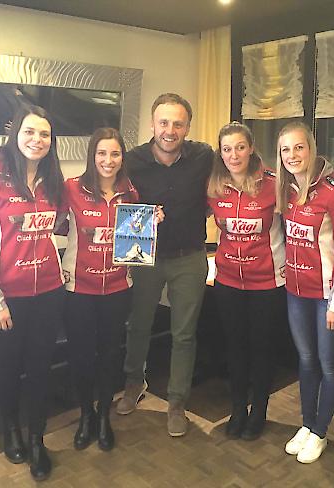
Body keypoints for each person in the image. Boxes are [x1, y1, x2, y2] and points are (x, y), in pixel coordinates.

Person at [0, 105, 65, 481]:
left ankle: (38, 440)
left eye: (44, 134)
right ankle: (10, 431)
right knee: (9, 367)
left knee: (41, 368)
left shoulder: (53, 180)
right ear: (15, 134)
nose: (37, 140)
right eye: (30, 132)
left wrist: (138, 222)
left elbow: (68, 228)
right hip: (5, 301)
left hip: (49, 294)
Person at [116, 93, 214, 437]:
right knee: (138, 326)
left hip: (190, 256)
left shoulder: (204, 156)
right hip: (145, 258)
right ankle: (133, 384)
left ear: (187, 126)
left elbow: (231, 178)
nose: (170, 130)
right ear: (152, 124)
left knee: (184, 334)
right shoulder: (131, 161)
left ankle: (176, 402)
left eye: (178, 123)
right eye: (164, 122)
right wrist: (142, 220)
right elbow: (115, 205)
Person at [275, 122, 334, 463]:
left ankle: (321, 431)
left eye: (299, 147)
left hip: (327, 297)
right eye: (285, 150)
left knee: (328, 363)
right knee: (306, 361)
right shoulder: (287, 190)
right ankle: (307, 425)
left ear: (312, 148)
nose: (292, 155)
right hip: (297, 293)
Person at [62, 127, 143, 452]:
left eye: (115, 154)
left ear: (122, 157)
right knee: (81, 356)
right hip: (78, 289)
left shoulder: (131, 194)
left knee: (111, 355)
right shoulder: (71, 189)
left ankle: (105, 417)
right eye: (102, 153)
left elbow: (134, 245)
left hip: (118, 288)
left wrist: (150, 224)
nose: (108, 161)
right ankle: (86, 416)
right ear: (92, 156)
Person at [207, 122, 285, 440]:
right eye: (227, 149)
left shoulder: (274, 185)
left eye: (240, 147)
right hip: (227, 280)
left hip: (266, 283)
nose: (233, 154)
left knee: (261, 349)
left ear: (251, 148)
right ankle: (238, 410)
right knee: (235, 348)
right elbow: (186, 213)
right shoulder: (213, 186)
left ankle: (259, 413)